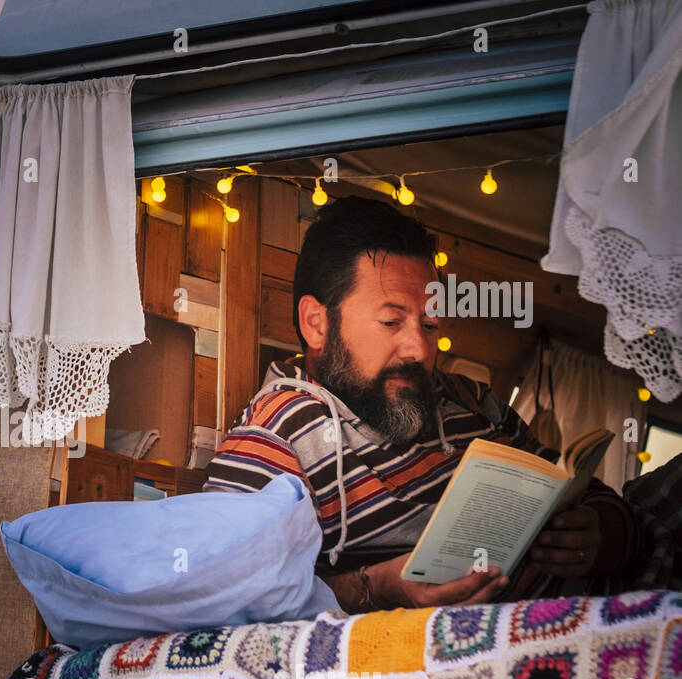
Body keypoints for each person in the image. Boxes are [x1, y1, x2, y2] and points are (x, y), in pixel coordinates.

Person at [203, 195, 636, 613]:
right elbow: (230, 600)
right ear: (316, 323)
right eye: (392, 321)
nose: (419, 349)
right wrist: (381, 588)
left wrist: (598, 535)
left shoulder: (473, 400)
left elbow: (601, 504)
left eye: (429, 325)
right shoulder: (274, 436)